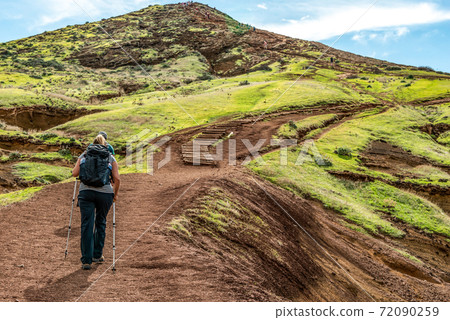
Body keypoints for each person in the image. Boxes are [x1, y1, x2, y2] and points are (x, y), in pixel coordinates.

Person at [72, 134, 121, 270]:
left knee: (87, 224)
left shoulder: (84, 155)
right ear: (105, 145)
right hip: (105, 193)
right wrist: (115, 195)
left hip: (86, 193)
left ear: (92, 144)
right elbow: (117, 179)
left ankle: (86, 261)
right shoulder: (110, 156)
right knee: (101, 221)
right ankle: (97, 255)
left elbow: (75, 173)